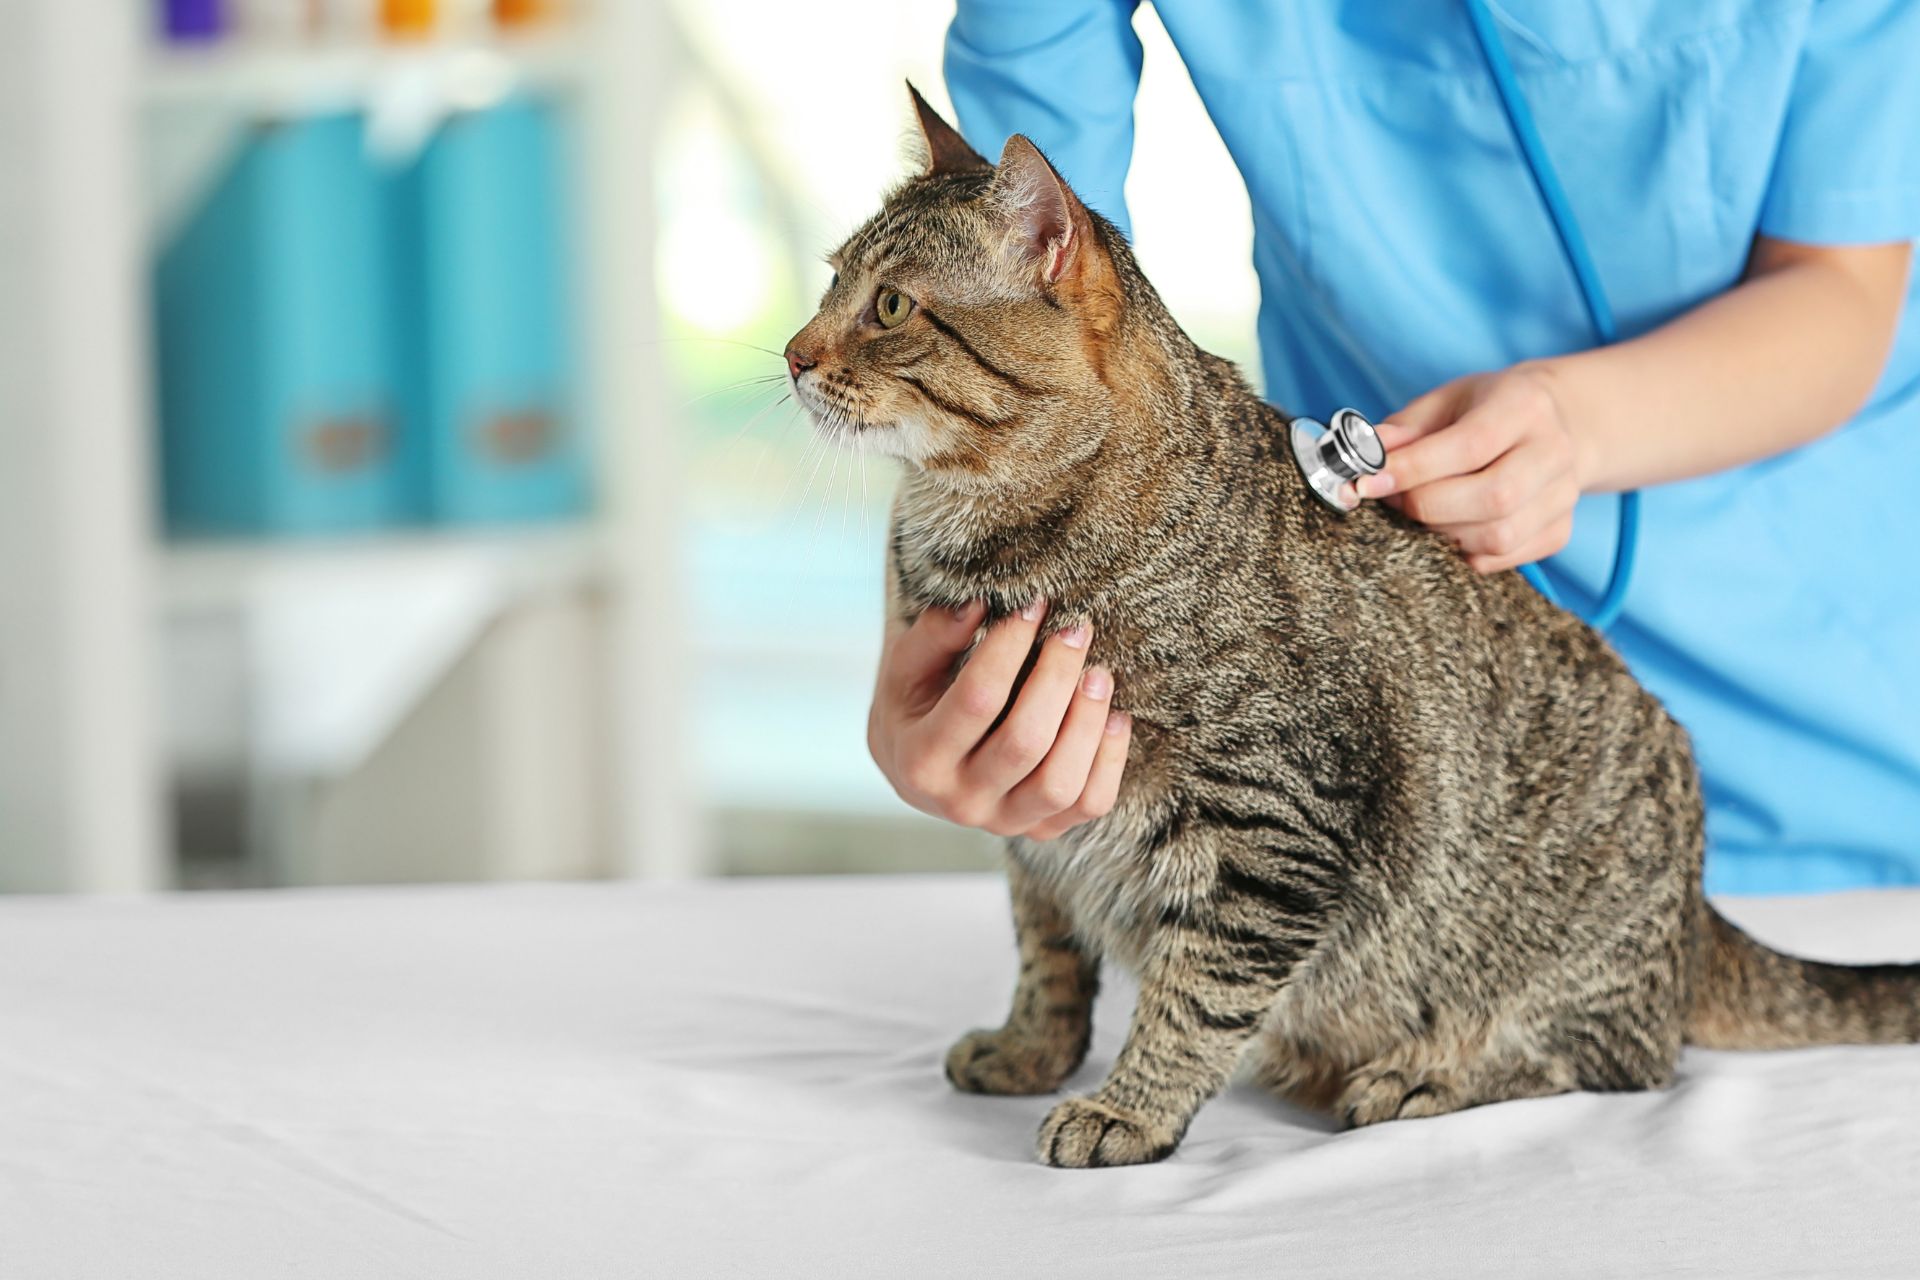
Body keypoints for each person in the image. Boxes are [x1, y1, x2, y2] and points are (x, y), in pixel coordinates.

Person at [868, 1, 1920, 896]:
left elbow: (1842, 279)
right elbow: (1003, 318)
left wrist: (1578, 422)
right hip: (1359, 736)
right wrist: (936, 657)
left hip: (1824, 723)